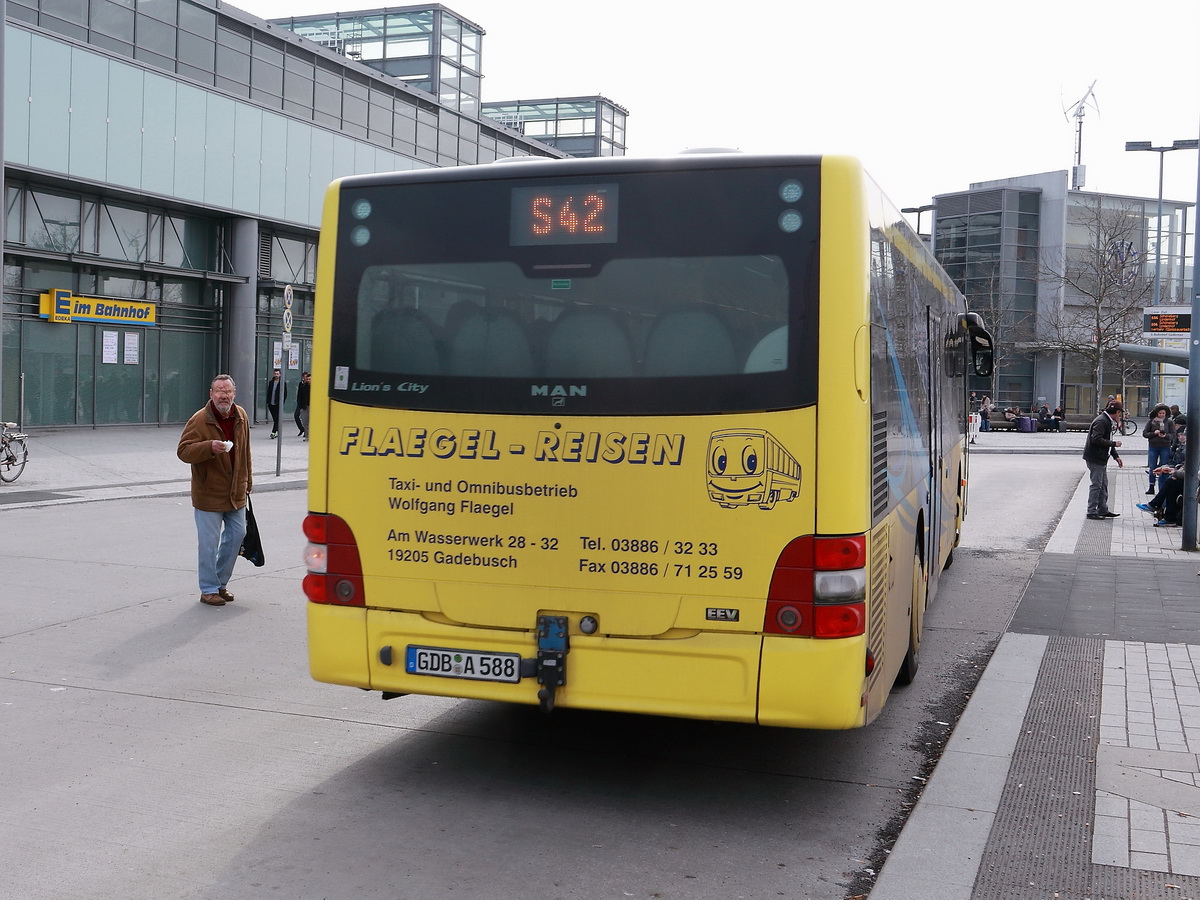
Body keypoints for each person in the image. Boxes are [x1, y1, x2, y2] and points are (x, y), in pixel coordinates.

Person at [177, 374, 254, 607]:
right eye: (219, 390)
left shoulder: (240, 415)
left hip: (235, 492)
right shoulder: (200, 420)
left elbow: (245, 451)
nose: (224, 395)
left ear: (234, 393)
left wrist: (248, 480)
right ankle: (209, 589)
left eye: (228, 391)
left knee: (237, 535)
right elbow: (184, 451)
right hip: (208, 492)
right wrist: (208, 447)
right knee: (209, 544)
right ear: (211, 394)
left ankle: (220, 583)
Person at [1083, 400, 1124, 520]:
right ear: (1116, 412)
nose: (1120, 416)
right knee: (1097, 485)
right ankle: (1091, 511)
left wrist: (1115, 456)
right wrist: (1114, 444)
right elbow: (1096, 439)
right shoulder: (1102, 421)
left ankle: (1102, 509)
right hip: (1095, 457)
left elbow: (1107, 440)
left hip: (1101, 457)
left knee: (1103, 484)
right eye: (1119, 413)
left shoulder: (1106, 420)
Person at [1143, 404, 1176, 494]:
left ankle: (1163, 487)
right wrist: (1154, 433)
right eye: (1160, 413)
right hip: (1153, 446)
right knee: (1152, 466)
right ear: (1157, 413)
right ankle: (1151, 486)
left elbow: (1173, 435)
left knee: (1164, 466)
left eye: (1163, 413)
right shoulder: (1151, 422)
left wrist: (1165, 436)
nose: (1162, 415)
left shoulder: (1169, 422)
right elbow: (1145, 433)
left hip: (1165, 446)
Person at [266, 368, 286, 439]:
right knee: (275, 418)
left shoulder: (282, 383)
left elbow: (285, 393)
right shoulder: (271, 382)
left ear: (280, 374)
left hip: (278, 404)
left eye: (277, 374)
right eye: (275, 374)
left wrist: (282, 402)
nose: (276, 375)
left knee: (277, 418)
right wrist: (268, 402)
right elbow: (269, 392)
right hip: (271, 404)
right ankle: (277, 431)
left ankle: (273, 432)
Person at [295, 371, 311, 440]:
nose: (308, 380)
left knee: (311, 422)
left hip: (312, 407)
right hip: (304, 407)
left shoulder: (316, 388)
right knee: (305, 422)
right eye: (307, 379)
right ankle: (307, 436)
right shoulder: (303, 387)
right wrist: (300, 407)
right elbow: (299, 396)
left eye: (309, 379)